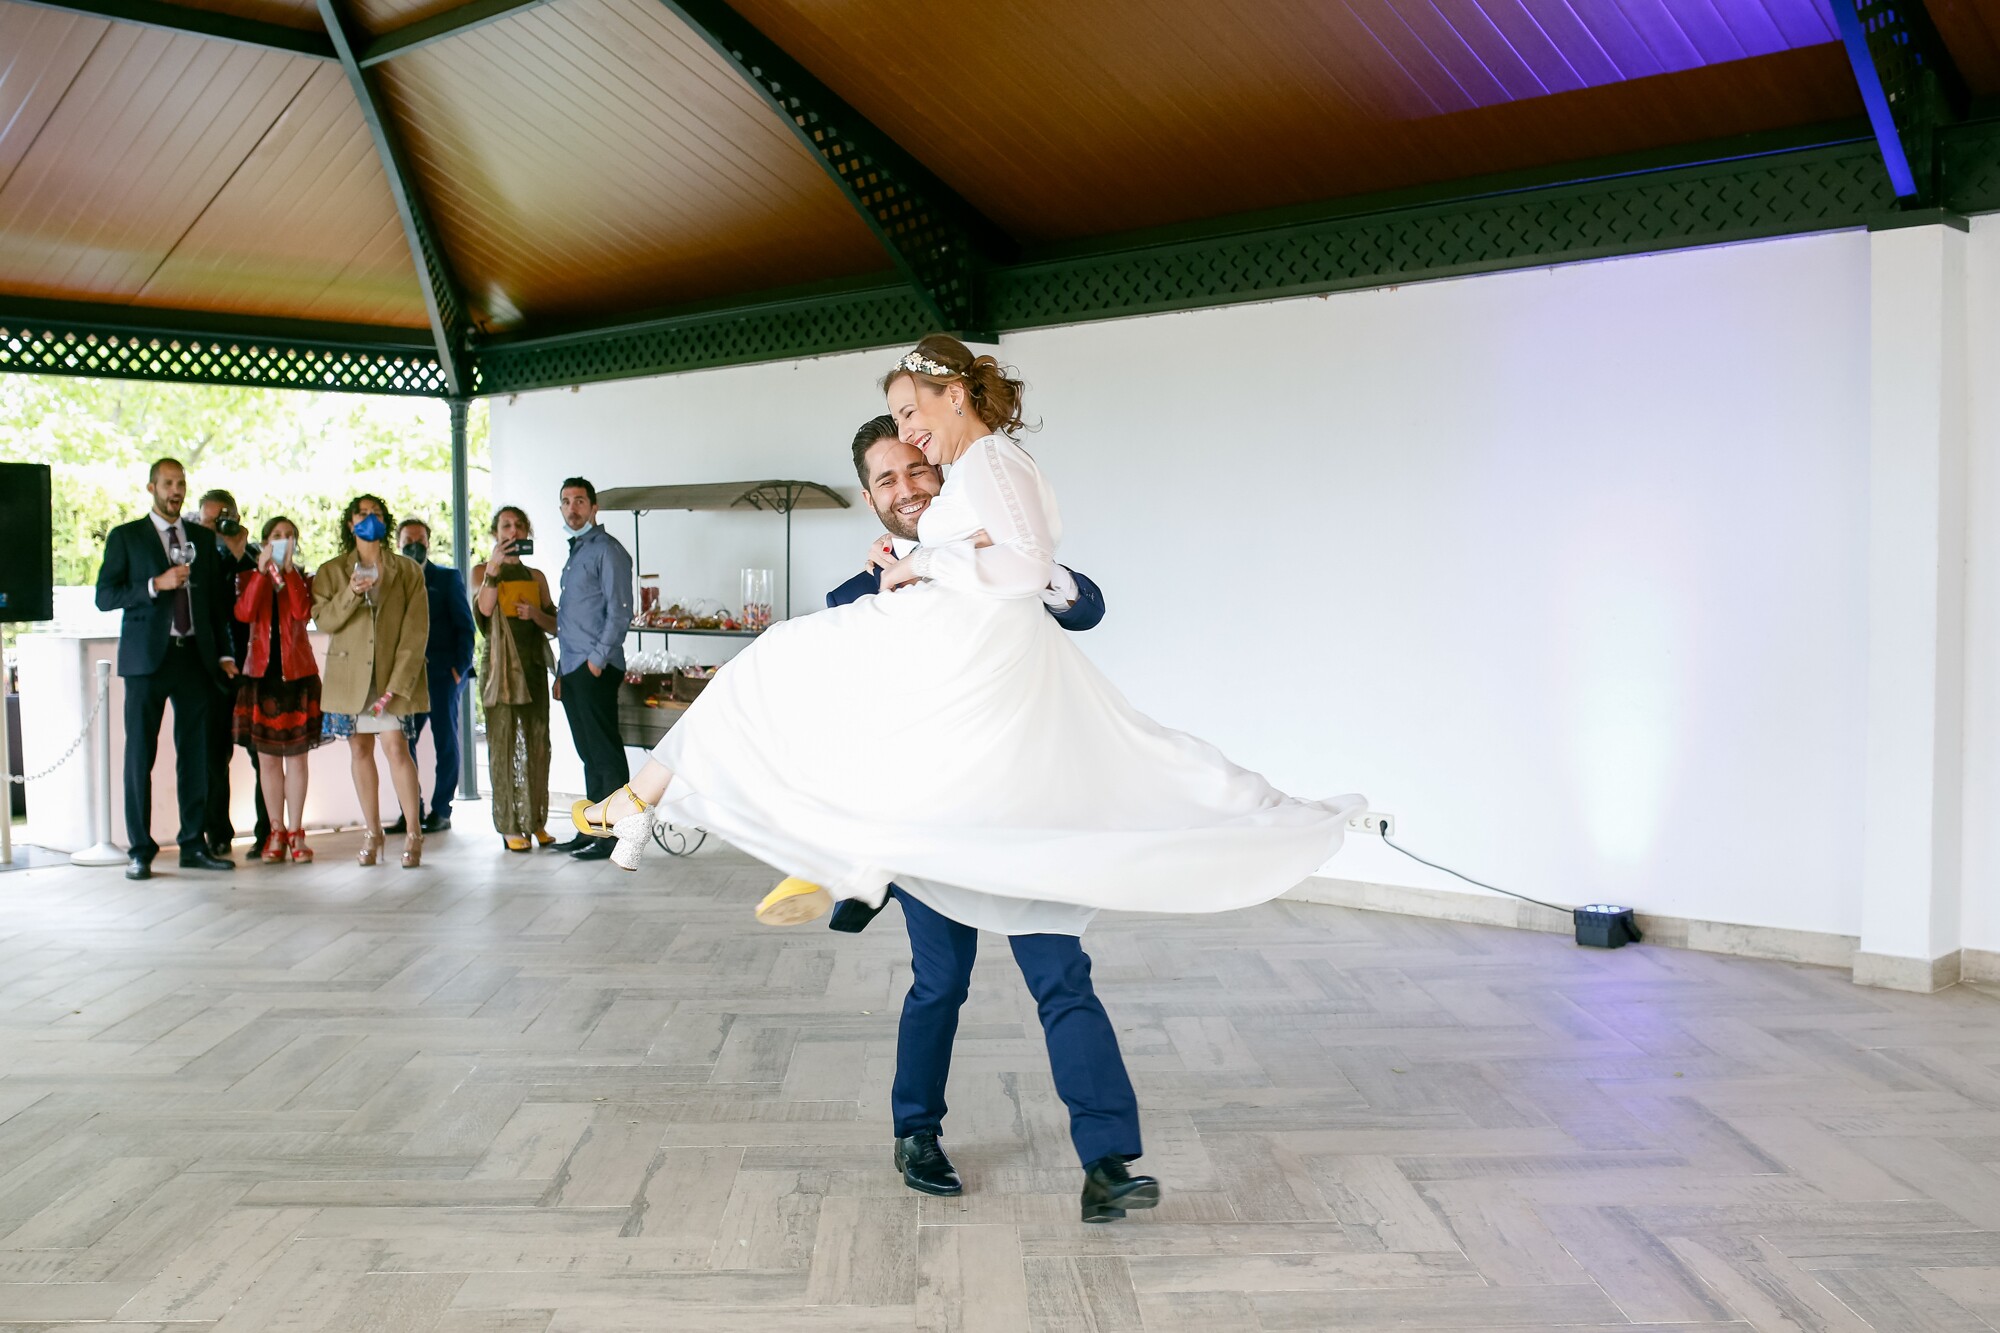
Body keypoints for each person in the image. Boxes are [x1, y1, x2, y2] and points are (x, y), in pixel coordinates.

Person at [826, 417, 1148, 1219]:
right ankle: (915, 1131)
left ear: (941, 471)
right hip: (938, 824)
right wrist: (889, 580)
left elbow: (1086, 606)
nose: (907, 489)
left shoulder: (1003, 561)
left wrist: (1010, 563)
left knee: (1062, 977)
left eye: (916, 469)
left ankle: (1106, 1161)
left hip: (1024, 810)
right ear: (869, 499)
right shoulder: (857, 595)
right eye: (886, 480)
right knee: (941, 981)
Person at [93, 458, 238, 880]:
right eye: (168, 483)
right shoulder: (127, 538)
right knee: (140, 755)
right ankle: (140, 850)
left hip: (194, 657)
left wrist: (225, 653)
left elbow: (215, 606)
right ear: (152, 487)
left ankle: (193, 844)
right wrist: (156, 585)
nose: (175, 490)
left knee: (196, 754)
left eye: (181, 483)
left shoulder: (199, 538)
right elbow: (105, 596)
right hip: (145, 662)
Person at [312, 495, 431, 869]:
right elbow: (324, 621)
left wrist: (399, 681)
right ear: (350, 523)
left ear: (386, 521)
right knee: (359, 750)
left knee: (397, 747)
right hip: (350, 679)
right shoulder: (331, 571)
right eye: (362, 515)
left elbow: (416, 630)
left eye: (376, 514)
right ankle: (372, 831)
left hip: (391, 676)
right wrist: (352, 591)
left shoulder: (408, 570)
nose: (369, 520)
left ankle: (413, 831)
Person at [550, 477, 634, 862]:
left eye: (580, 501)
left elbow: (619, 611)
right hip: (572, 669)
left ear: (594, 507)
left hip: (594, 668)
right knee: (589, 755)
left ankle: (617, 836)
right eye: (566, 501)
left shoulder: (608, 550)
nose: (573, 508)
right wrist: (563, 672)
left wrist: (596, 662)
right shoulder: (577, 551)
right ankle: (593, 830)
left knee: (605, 754)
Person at [232, 516, 323, 862]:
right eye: (276, 535)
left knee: (297, 759)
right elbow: (244, 613)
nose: (283, 540)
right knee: (268, 762)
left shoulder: (303, 578)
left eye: (289, 536)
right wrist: (261, 572)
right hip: (260, 677)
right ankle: (275, 831)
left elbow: (302, 611)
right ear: (265, 541)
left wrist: (288, 572)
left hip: (297, 675)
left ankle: (298, 832)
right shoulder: (249, 576)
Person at [475, 506, 559, 852]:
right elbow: (482, 613)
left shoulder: (536, 576)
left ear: (527, 532)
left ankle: (536, 819)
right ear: (496, 533)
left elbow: (555, 624)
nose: (512, 531)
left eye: (519, 525)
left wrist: (534, 613)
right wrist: (493, 570)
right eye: (505, 526)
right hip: (499, 668)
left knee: (539, 744)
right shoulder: (483, 570)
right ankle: (510, 825)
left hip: (533, 665)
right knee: (504, 744)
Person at [386, 518, 476, 836]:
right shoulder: (391, 580)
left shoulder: (447, 578)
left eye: (420, 539)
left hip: (442, 676)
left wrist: (458, 670)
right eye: (409, 540)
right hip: (405, 678)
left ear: (429, 542)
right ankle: (411, 811)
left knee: (446, 743)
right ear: (398, 545)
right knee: (401, 743)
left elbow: (466, 627)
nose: (415, 545)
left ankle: (442, 810)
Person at [197, 489, 271, 860]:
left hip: (256, 667)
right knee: (213, 756)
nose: (218, 528)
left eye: (225, 519)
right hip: (213, 669)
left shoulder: (256, 554)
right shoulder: (194, 555)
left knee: (264, 756)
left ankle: (267, 833)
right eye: (210, 521)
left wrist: (241, 553)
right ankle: (218, 834)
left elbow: (261, 598)